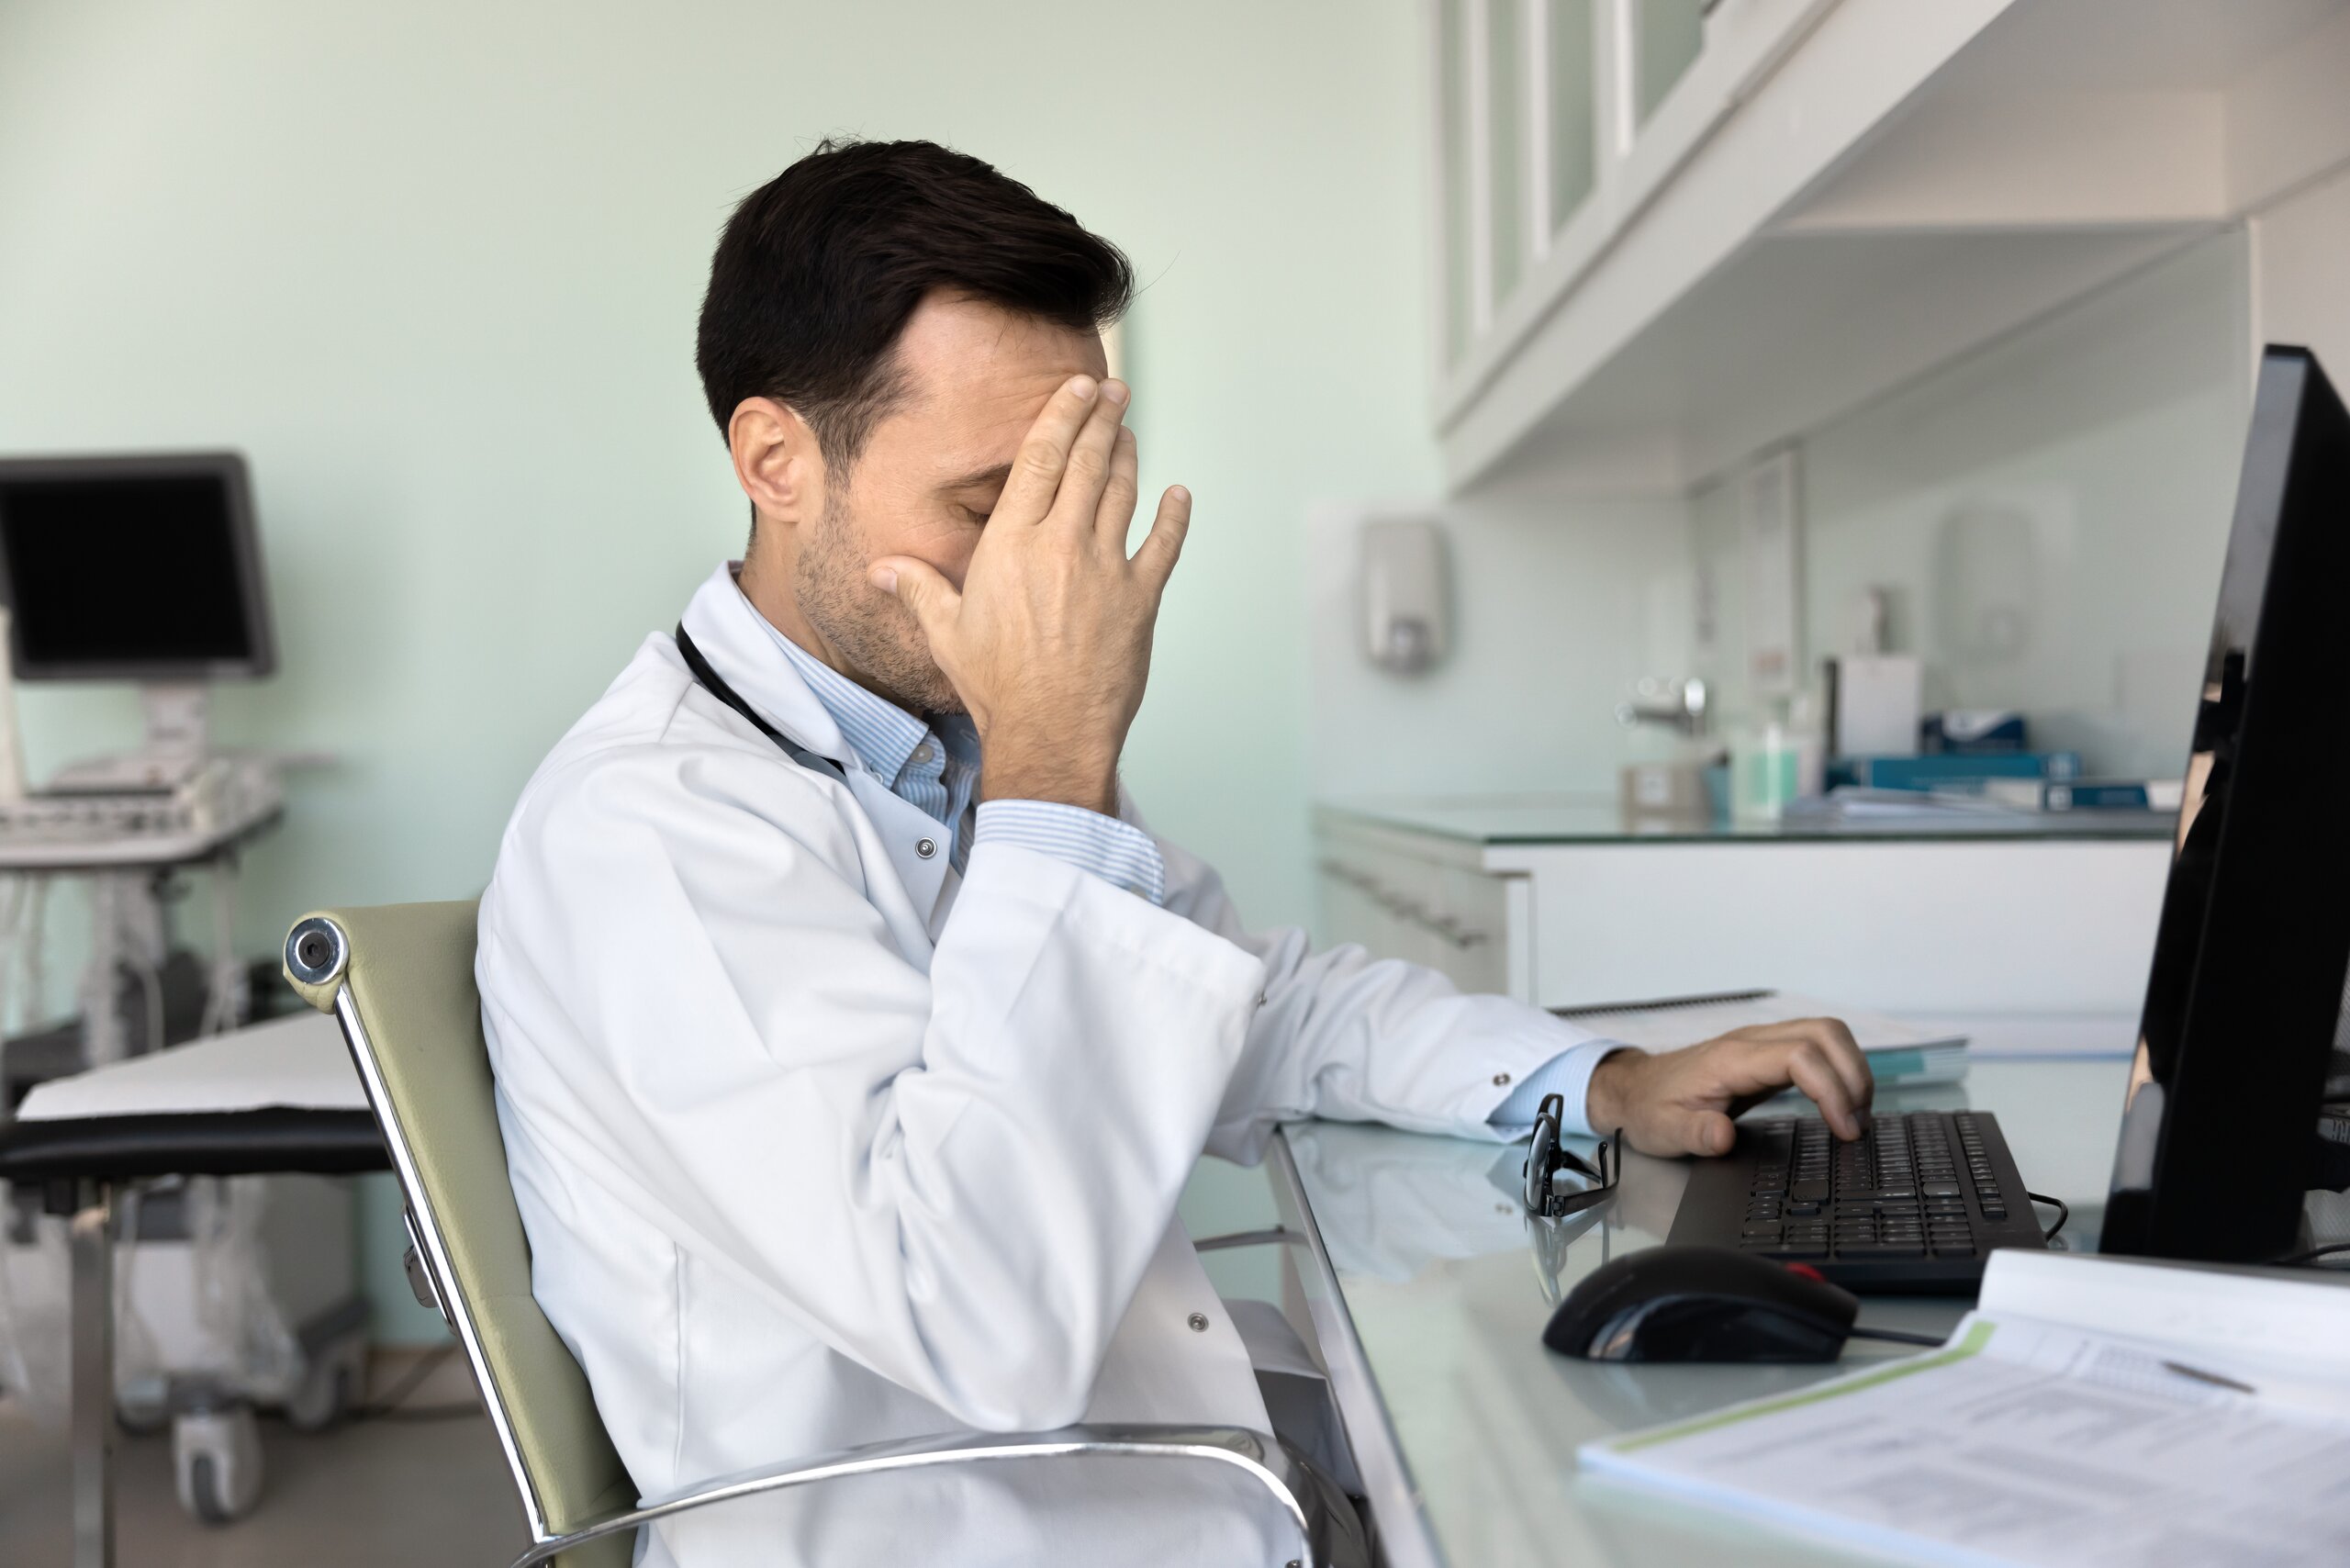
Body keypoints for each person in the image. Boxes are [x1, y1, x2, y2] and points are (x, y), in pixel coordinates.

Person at [476, 138, 1873, 1567]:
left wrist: (1601, 1081)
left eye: (1069, 506)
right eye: (988, 507)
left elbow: (1254, 1004)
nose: (1040, 572)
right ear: (777, 461)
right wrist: (1053, 771)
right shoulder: (652, 832)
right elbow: (979, 1322)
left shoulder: (940, 747)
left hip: (1139, 1472)